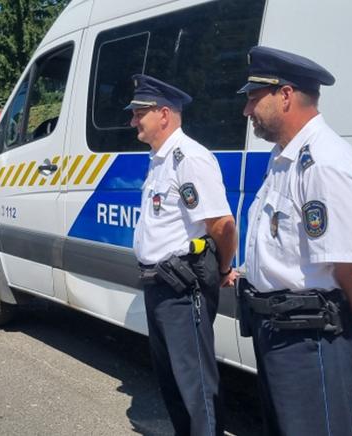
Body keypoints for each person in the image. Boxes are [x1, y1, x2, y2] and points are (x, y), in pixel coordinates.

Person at [238, 46, 352, 436]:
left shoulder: (325, 162)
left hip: (310, 339)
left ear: (284, 95)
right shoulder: (285, 156)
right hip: (278, 333)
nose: (246, 111)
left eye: (253, 98)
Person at [129, 74, 237, 436]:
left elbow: (222, 224)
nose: (132, 121)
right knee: (172, 380)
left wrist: (223, 268)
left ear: (163, 114)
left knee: (195, 386)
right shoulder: (159, 159)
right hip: (158, 284)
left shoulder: (188, 157)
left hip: (181, 285)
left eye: (138, 113)